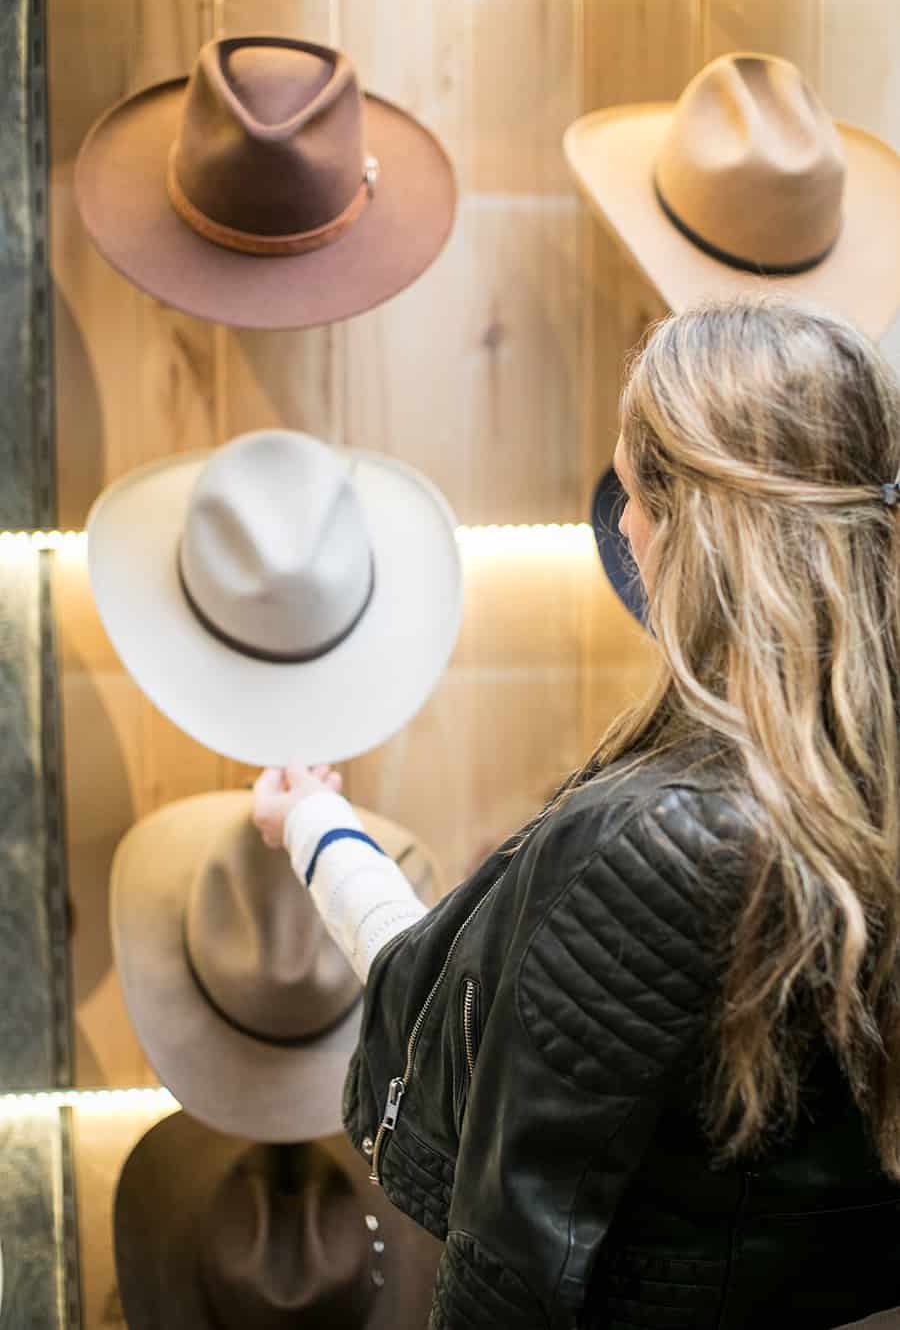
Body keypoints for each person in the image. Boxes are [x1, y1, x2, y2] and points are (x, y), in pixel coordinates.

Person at [253, 297, 900, 1330]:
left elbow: (511, 1273)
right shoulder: (845, 792)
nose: (622, 524)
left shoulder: (662, 845)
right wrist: (324, 839)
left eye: (631, 490)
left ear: (689, 529)